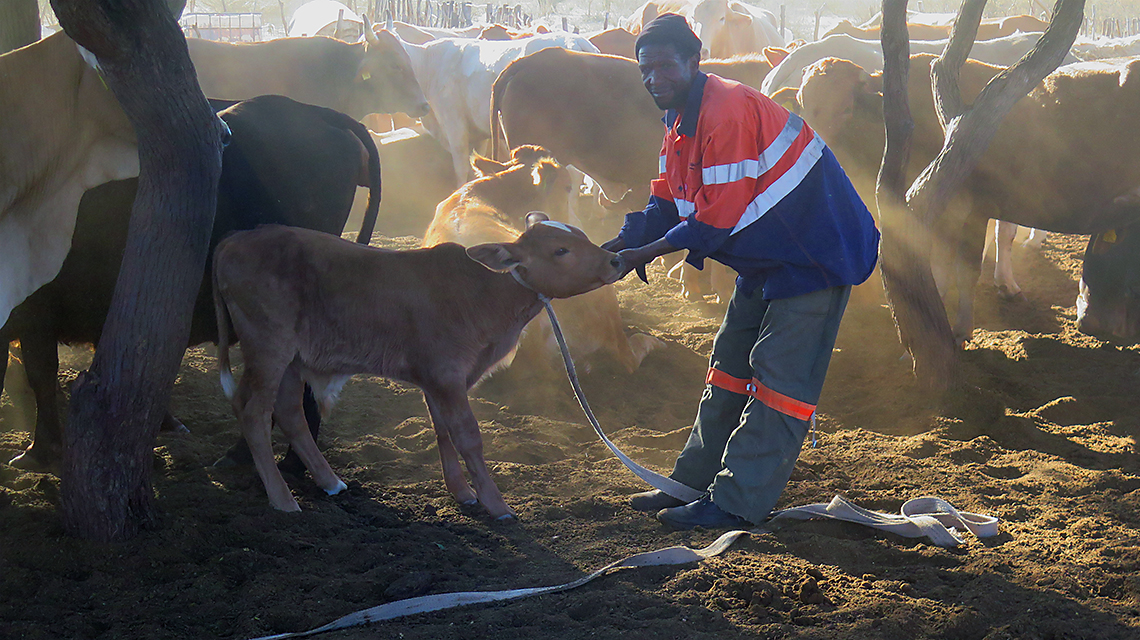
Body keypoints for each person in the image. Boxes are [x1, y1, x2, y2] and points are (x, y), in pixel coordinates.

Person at [604, 14, 880, 530]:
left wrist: (643, 255)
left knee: (778, 380)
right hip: (766, 252)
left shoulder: (725, 110)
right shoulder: (681, 117)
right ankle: (691, 483)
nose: (652, 79)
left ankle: (736, 502)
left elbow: (715, 218)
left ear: (694, 61)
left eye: (664, 66)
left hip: (813, 254)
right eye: (645, 69)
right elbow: (668, 201)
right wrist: (620, 243)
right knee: (728, 366)